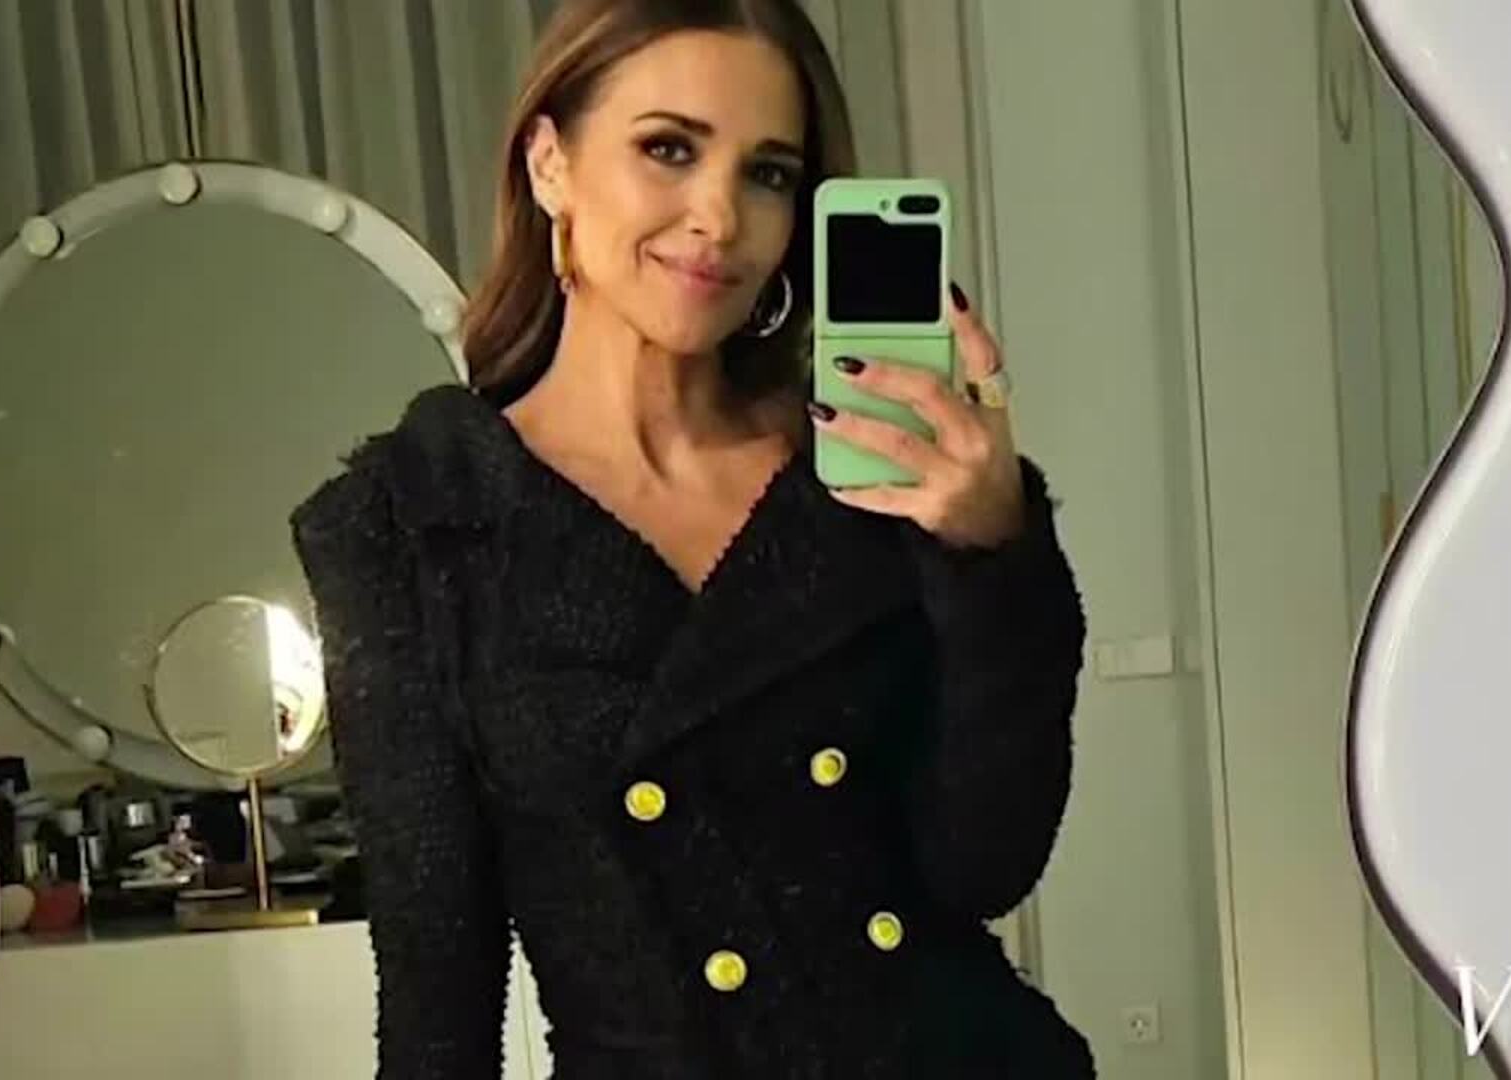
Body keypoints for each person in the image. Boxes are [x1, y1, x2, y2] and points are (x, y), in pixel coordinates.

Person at [288, 1, 1094, 1076]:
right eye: (668, 149)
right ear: (550, 164)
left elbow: (986, 864)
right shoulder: (416, 524)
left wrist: (992, 553)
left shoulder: (866, 476)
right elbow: (438, 991)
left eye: (768, 174)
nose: (719, 216)